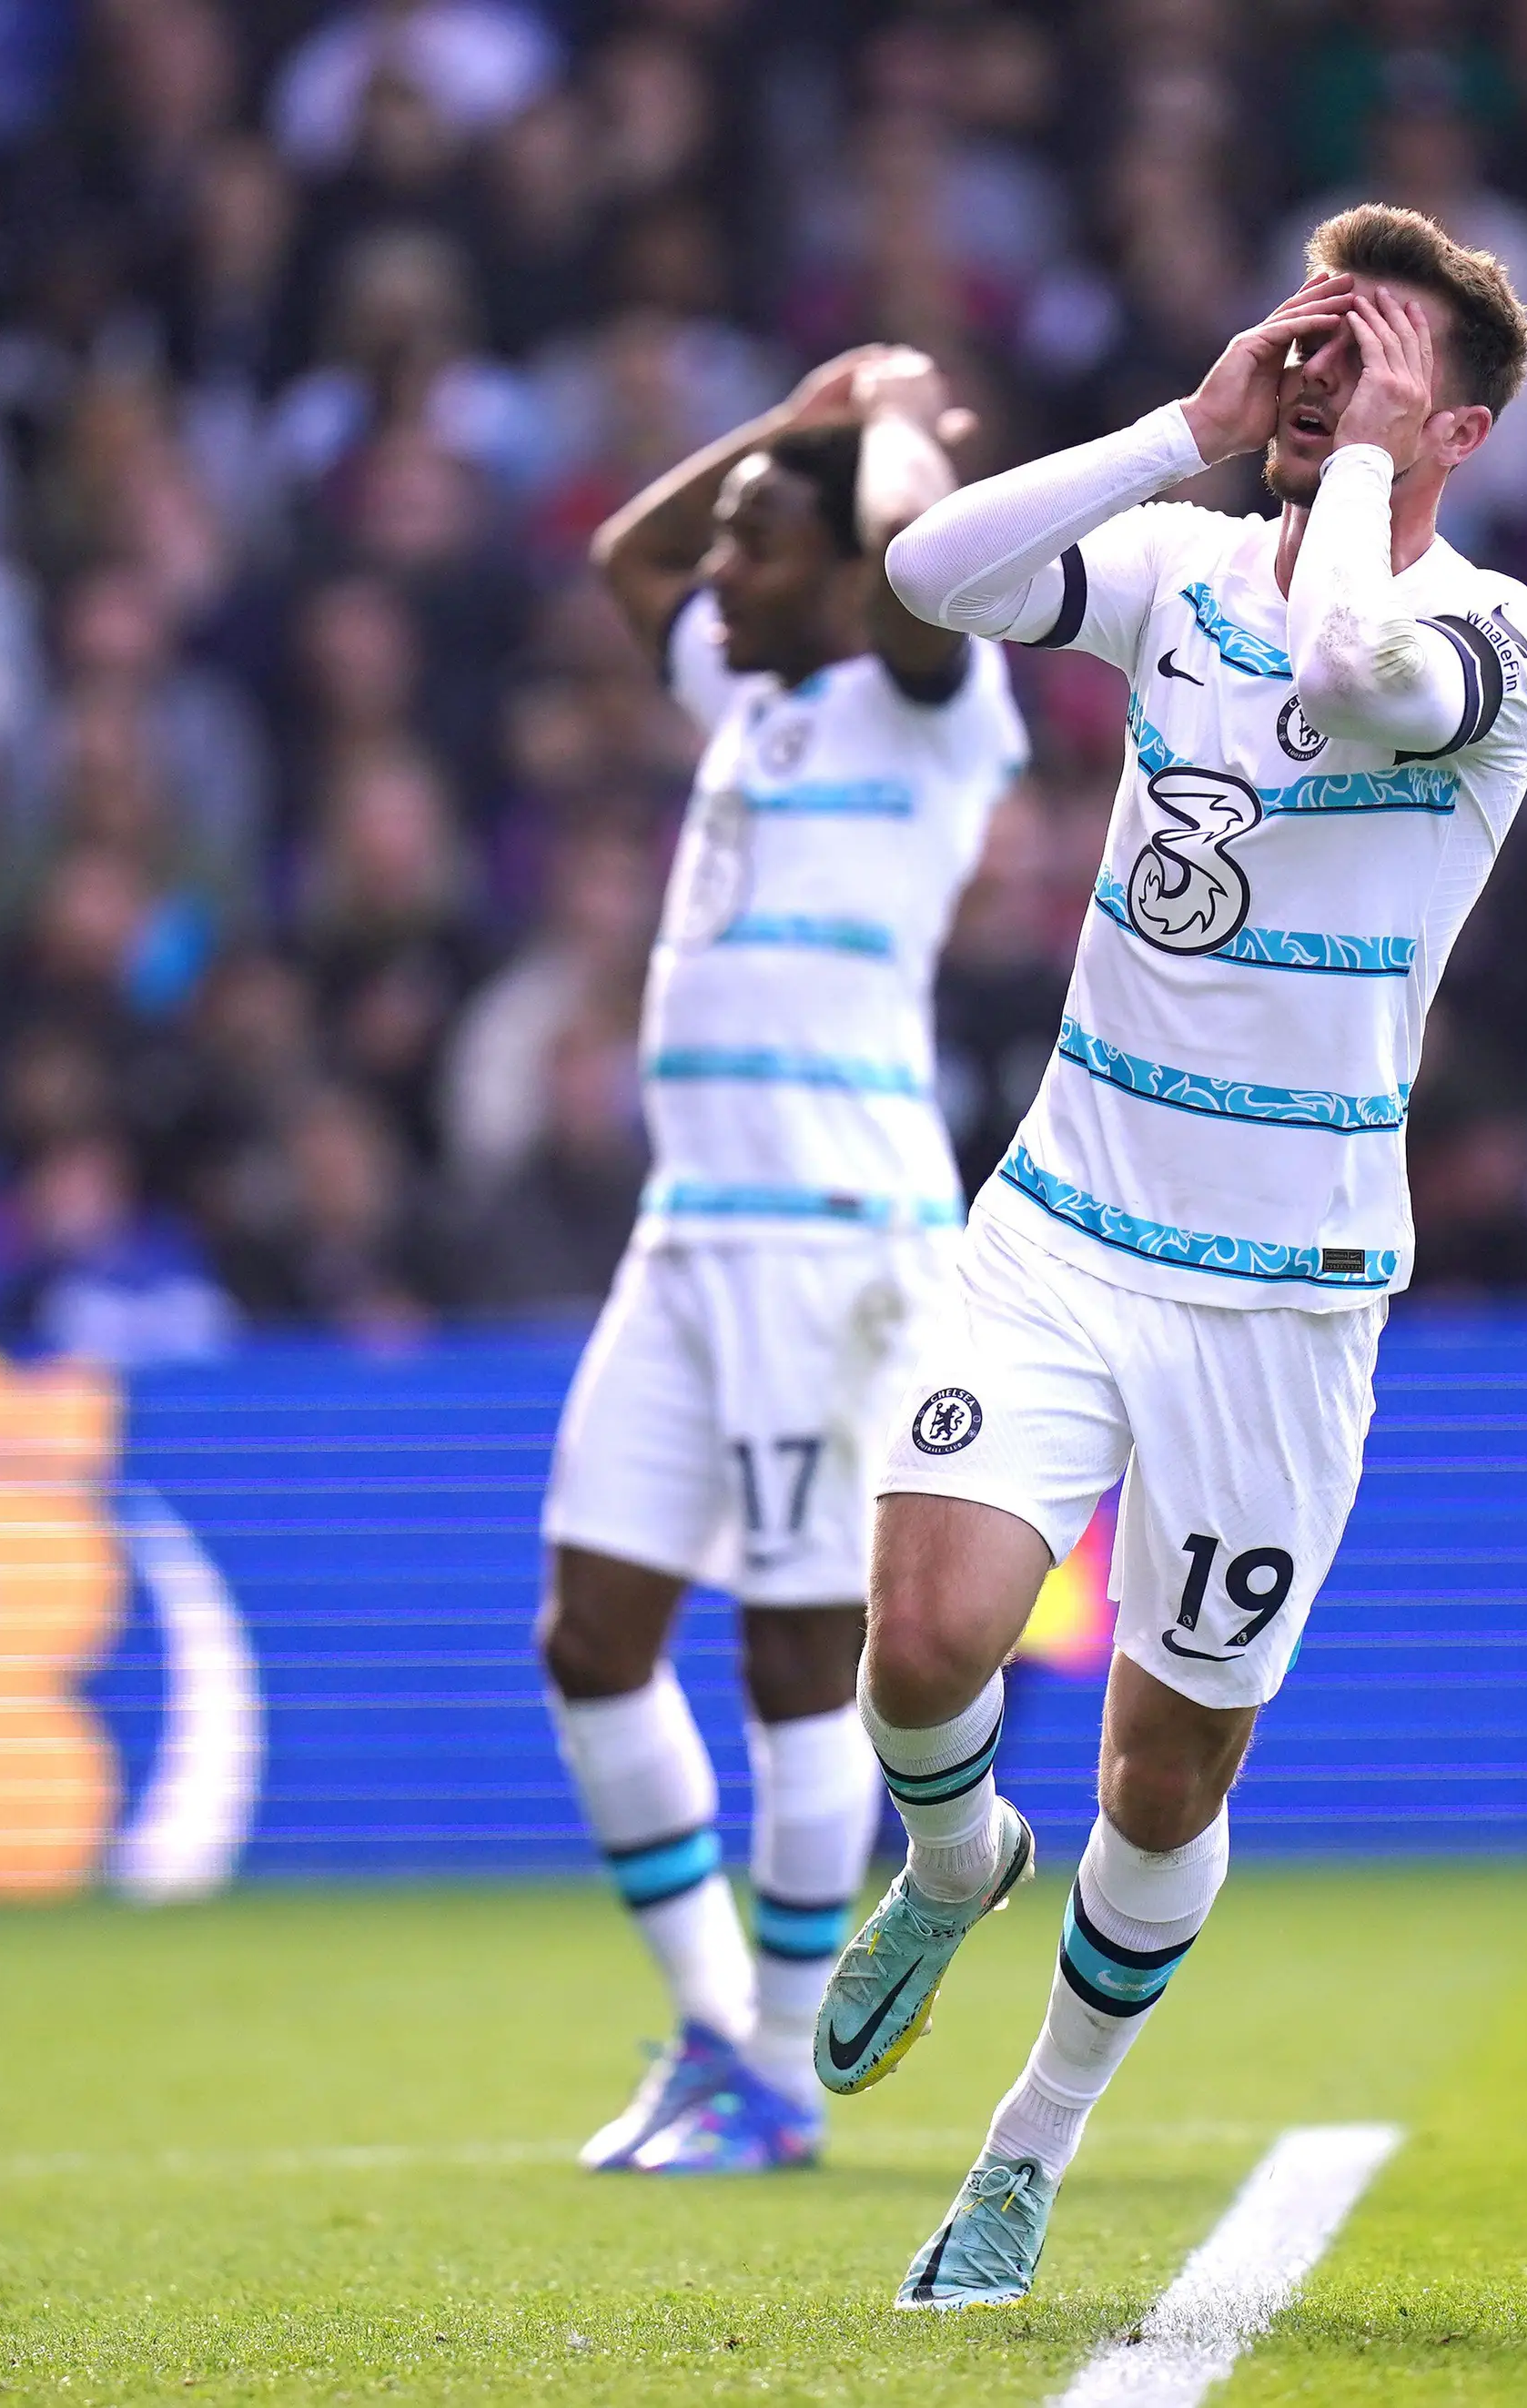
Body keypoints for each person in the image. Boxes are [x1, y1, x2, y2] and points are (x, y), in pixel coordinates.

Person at [861, 205, 1527, 2305]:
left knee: (1164, 1778)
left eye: (1377, 355)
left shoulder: (1498, 645)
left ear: (1468, 427)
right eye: (1313, 337)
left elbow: (1351, 666)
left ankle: (1031, 2141)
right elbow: (930, 571)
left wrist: (1355, 467)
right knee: (923, 1644)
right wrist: (1185, 426)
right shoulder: (1181, 565)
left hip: (1284, 1298)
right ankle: (955, 1859)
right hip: (1067, 1223)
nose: (1326, 373)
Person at [541, 343, 1022, 2177]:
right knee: (592, 1636)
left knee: (798, 1661)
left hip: (836, 1238)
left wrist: (889, 433)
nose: (720, 571)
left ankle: (778, 2071)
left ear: (840, 571)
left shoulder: (932, 700)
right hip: (692, 1227)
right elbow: (627, 557)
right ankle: (707, 2029)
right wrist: (797, 429)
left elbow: (908, 553)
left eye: (761, 543)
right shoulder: (754, 695)